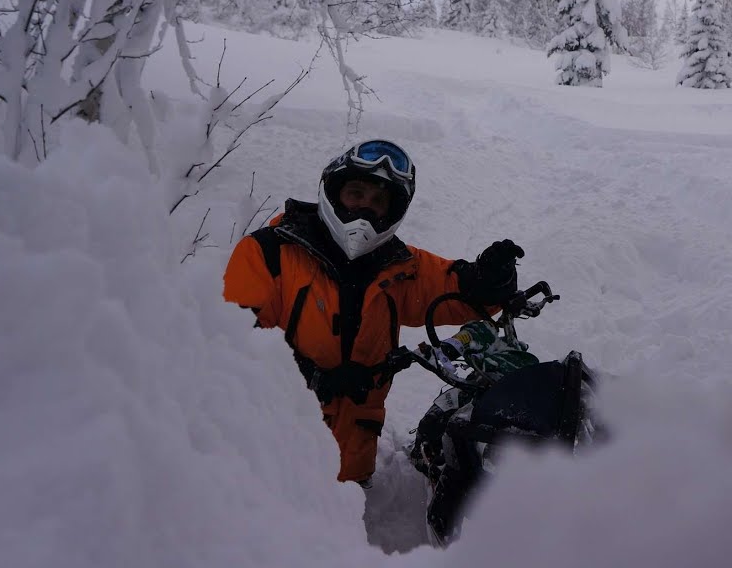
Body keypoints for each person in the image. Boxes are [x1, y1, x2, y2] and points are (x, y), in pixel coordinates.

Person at [222, 138, 525, 487]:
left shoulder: (399, 266)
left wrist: (491, 280)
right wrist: (313, 379)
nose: (365, 210)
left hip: (352, 479)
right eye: (356, 194)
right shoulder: (268, 253)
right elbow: (233, 349)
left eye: (378, 202)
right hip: (268, 463)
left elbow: (458, 293)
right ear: (334, 192)